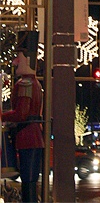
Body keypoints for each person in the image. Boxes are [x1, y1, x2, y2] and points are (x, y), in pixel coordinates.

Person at [2, 32, 44, 203]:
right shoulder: (35, 83)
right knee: (29, 182)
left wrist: (2, 115)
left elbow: (22, 113)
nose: (15, 62)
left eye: (18, 57)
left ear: (27, 59)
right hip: (32, 137)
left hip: (28, 138)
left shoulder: (25, 84)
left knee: (28, 182)